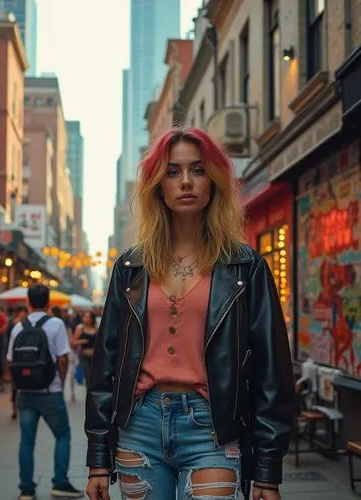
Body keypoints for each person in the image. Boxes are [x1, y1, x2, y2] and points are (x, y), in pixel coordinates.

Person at [85, 128, 295, 500]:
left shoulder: (245, 267)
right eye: (172, 171)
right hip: (140, 425)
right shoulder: (131, 267)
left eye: (197, 170)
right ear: (157, 186)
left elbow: (272, 372)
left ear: (213, 181)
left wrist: (267, 470)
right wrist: (98, 458)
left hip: (213, 427)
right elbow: (106, 365)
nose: (185, 182)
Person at [7, 285, 83, 500]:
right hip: (50, 391)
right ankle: (60, 482)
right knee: (62, 434)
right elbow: (62, 357)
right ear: (49, 303)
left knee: (26, 440)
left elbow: (10, 362)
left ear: (28, 302)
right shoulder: (56, 324)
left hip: (25, 392)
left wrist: (18, 387)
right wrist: (58, 380)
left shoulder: (17, 327)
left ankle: (26, 489)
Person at [7, 304, 28, 420]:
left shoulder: (28, 325)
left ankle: (21, 406)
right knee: (14, 385)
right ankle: (14, 407)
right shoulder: (13, 324)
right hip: (15, 357)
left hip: (25, 357)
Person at [52, 305, 77, 403]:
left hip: (63, 352)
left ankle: (63, 391)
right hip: (67, 352)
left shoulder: (60, 325)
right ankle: (69, 391)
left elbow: (71, 340)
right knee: (68, 373)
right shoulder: (64, 324)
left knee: (65, 373)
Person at [71, 311, 97, 385]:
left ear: (92, 318)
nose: (85, 318)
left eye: (88, 317)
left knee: (94, 377)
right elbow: (73, 342)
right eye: (84, 316)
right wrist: (82, 341)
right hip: (84, 356)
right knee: (87, 376)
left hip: (95, 357)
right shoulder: (80, 328)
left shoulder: (96, 328)